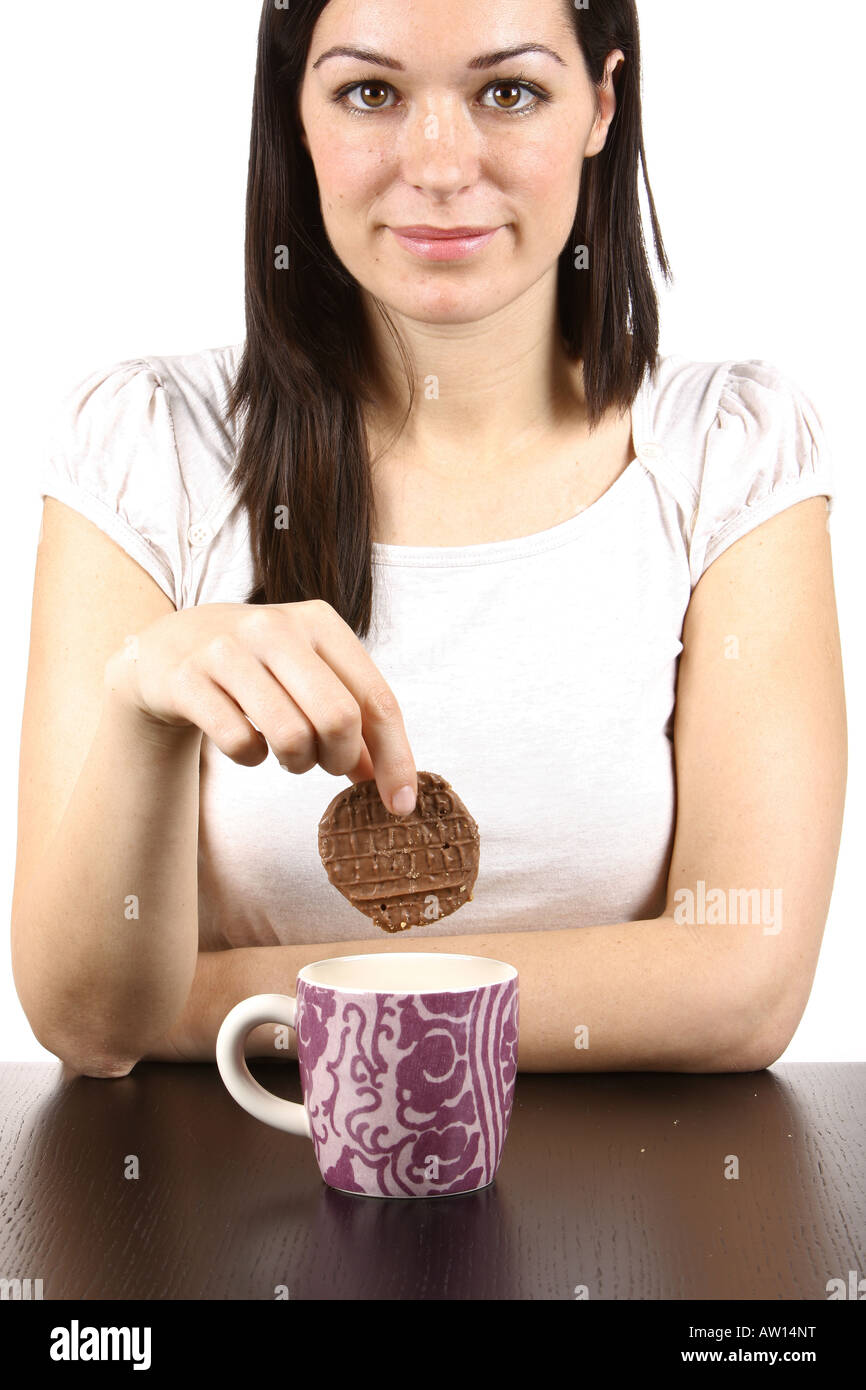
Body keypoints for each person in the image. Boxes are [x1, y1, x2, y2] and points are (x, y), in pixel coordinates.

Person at [11, 0, 846, 1078]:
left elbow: (740, 987)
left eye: (507, 91)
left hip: (640, 1214)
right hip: (225, 1208)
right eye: (370, 92)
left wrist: (197, 1002)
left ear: (600, 103)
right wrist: (141, 703)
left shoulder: (730, 452)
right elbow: (82, 1017)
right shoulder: (144, 444)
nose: (440, 165)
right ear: (293, 114)